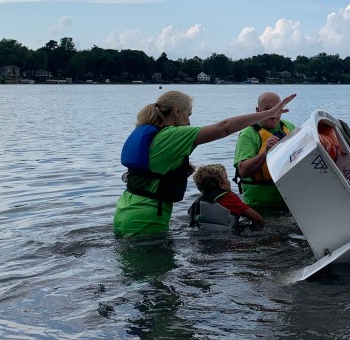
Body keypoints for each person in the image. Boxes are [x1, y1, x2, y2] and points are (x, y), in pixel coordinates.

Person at [113, 90, 295, 237]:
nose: (189, 122)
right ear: (177, 112)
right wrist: (270, 113)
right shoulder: (173, 134)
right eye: (188, 115)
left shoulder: (149, 133)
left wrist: (179, 169)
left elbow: (152, 171)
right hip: (146, 220)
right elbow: (224, 127)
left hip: (124, 211)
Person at [233, 91, 297, 211]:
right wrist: (265, 153)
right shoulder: (248, 134)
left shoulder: (289, 127)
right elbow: (243, 171)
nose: (273, 113)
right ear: (258, 111)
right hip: (259, 207)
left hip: (288, 203)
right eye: (268, 109)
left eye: (278, 108)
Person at [187, 164, 264, 230]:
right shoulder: (230, 198)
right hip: (230, 241)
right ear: (221, 184)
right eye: (226, 178)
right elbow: (258, 218)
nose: (228, 181)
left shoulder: (197, 204)